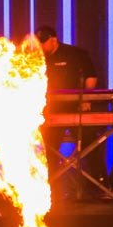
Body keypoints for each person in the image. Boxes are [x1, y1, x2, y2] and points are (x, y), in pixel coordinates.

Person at [36, 26, 105, 198]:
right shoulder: (36, 58)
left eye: (43, 43)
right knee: (47, 147)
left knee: (90, 144)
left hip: (76, 108)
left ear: (53, 40)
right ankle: (50, 188)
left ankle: (99, 186)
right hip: (50, 110)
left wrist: (86, 99)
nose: (41, 47)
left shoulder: (75, 54)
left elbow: (90, 76)